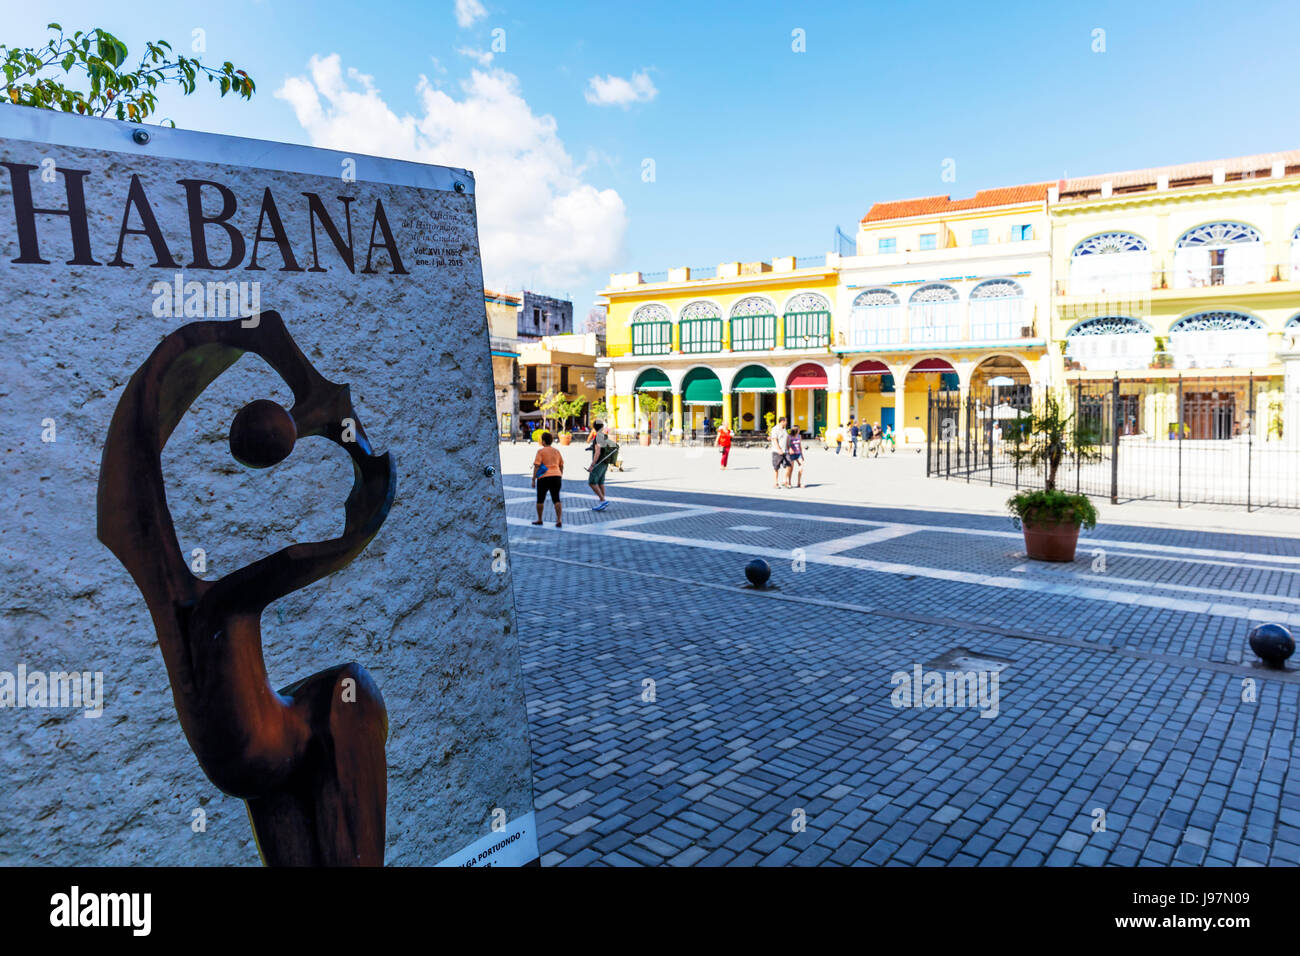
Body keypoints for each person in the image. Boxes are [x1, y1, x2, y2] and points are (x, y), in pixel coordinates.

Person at [531, 430, 564, 527]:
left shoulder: (540, 451)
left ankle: (540, 519)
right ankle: (559, 520)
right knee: (556, 498)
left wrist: (533, 479)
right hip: (556, 476)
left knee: (540, 499)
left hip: (543, 477)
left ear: (544, 441)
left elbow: (537, 466)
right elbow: (561, 465)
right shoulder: (556, 451)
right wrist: (560, 474)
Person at [584, 420, 617, 511]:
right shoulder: (604, 436)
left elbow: (598, 452)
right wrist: (591, 448)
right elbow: (606, 447)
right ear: (602, 427)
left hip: (598, 463)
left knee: (592, 482)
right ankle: (603, 502)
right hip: (605, 462)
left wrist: (592, 465)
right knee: (600, 482)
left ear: (594, 427)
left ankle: (602, 500)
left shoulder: (598, 437)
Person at [769, 415, 790, 488]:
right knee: (776, 467)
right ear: (782, 421)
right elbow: (774, 439)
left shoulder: (784, 429)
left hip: (785, 451)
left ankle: (784, 481)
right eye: (786, 421)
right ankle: (775, 483)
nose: (787, 422)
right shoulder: (775, 429)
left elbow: (786, 439)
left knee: (789, 465)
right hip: (777, 451)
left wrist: (789, 448)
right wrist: (779, 449)